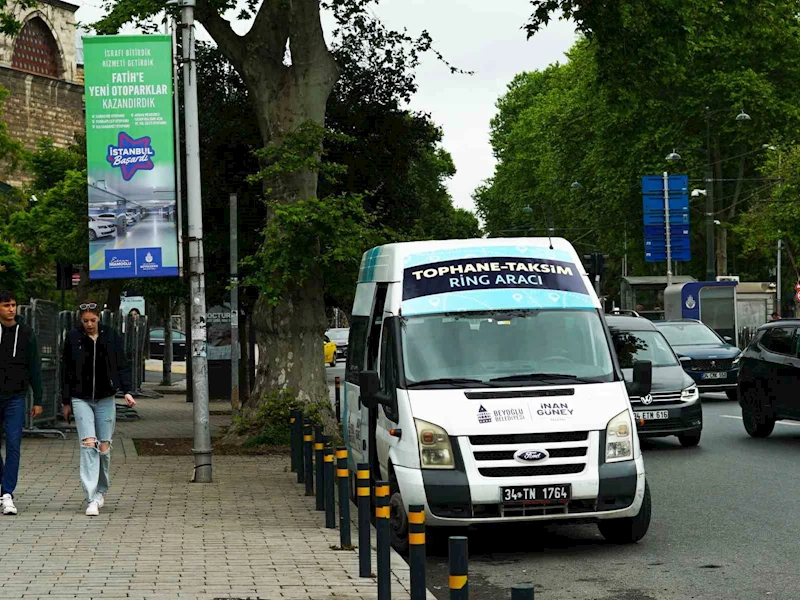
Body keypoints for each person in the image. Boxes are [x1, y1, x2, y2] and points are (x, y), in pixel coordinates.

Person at [61, 302, 136, 516]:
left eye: (93, 320)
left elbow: (122, 363)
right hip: (80, 397)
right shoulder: (74, 337)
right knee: (88, 444)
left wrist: (127, 391)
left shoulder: (110, 336)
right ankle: (91, 496)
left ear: (98, 319)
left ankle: (102, 489)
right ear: (80, 320)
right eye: (85, 321)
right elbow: (65, 369)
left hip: (105, 396)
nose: (89, 325)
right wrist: (66, 401)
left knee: (104, 447)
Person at [0, 290, 43, 515]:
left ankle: (8, 493)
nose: (11, 309)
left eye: (14, 305)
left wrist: (39, 398)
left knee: (14, 444)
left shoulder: (26, 333)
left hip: (16, 396)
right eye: (6, 305)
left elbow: (34, 366)